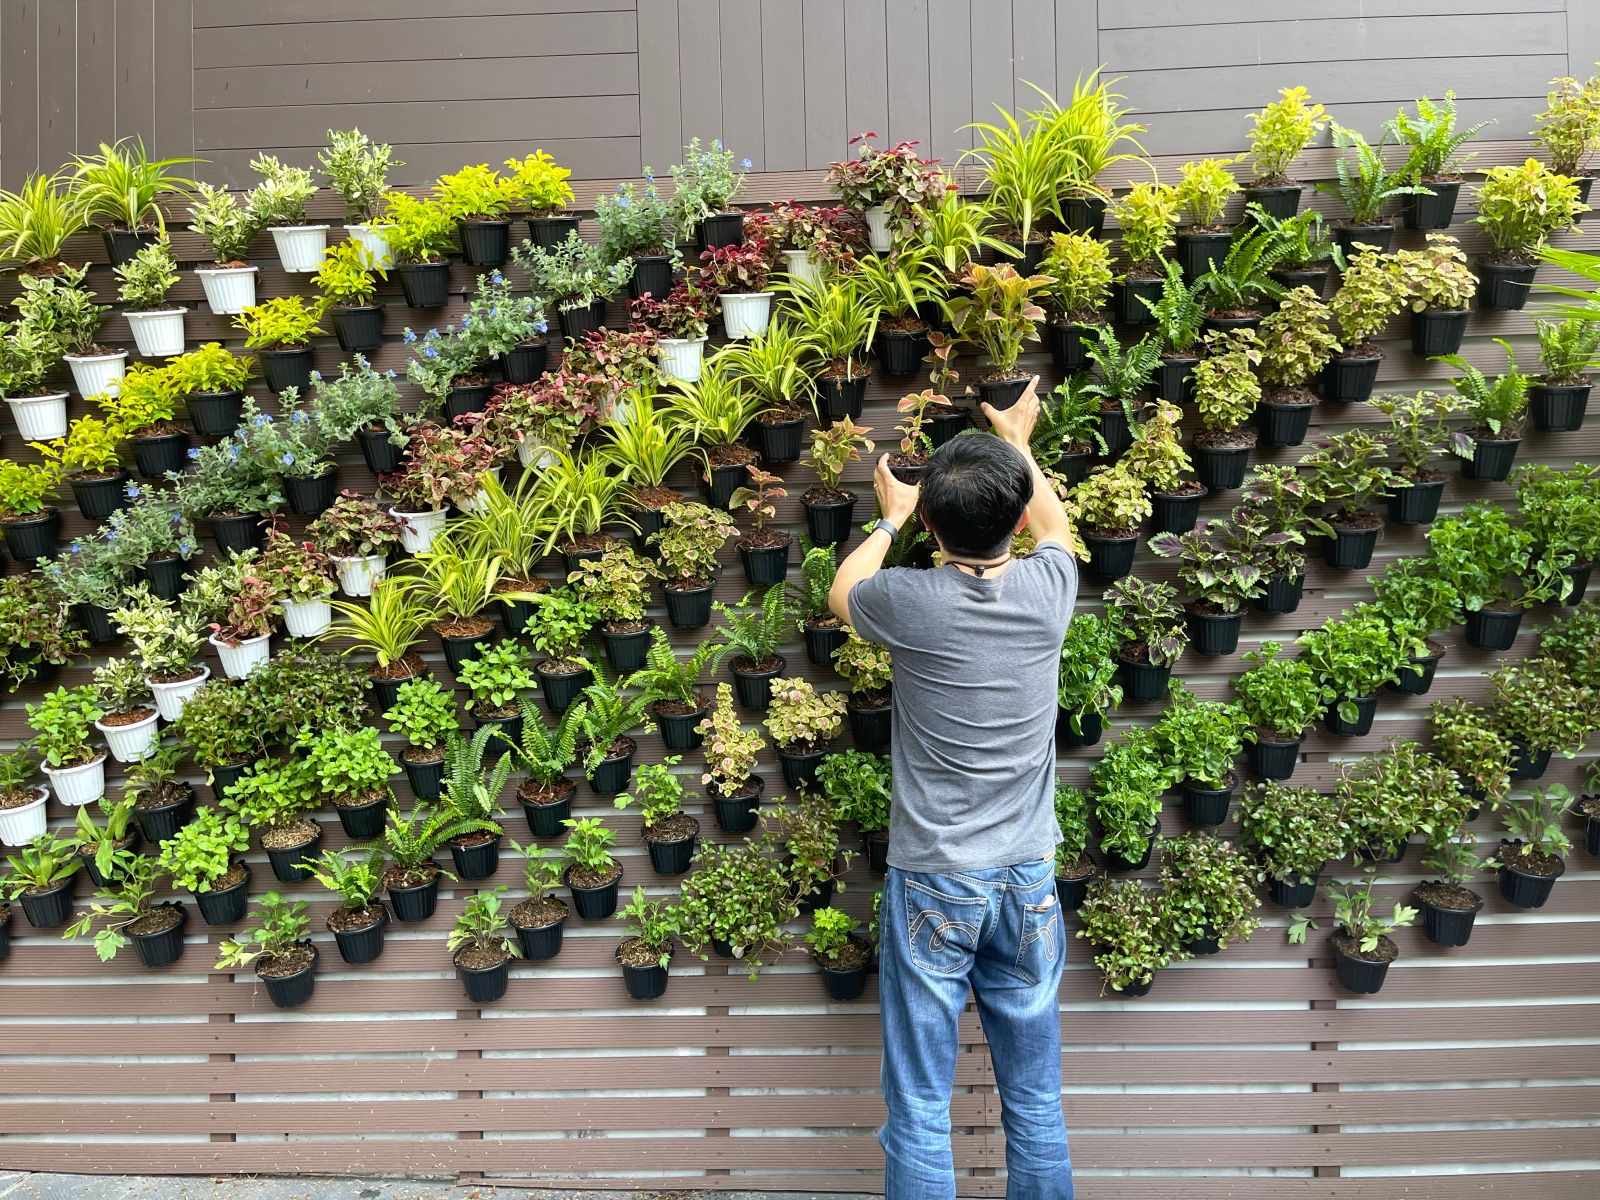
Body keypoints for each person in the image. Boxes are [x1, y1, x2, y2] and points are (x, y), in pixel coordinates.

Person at [829, 376, 1077, 1200]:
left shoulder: (910, 600)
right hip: (1028, 880)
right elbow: (1053, 524)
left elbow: (841, 592)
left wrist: (891, 518)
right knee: (1036, 1099)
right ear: (1012, 519)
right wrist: (1017, 442)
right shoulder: (1051, 591)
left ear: (933, 524)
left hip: (936, 879)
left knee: (922, 1103)